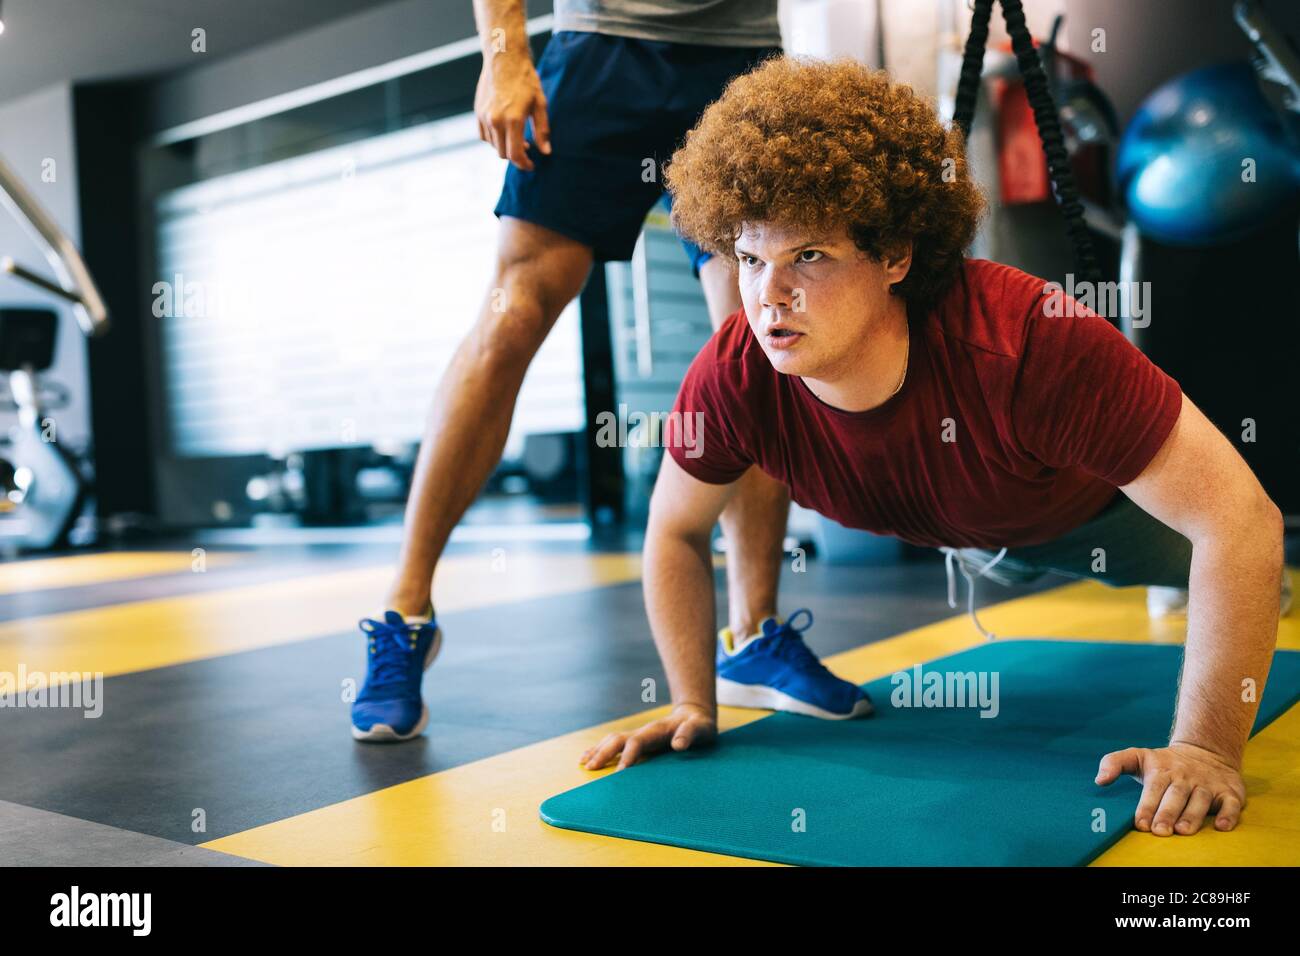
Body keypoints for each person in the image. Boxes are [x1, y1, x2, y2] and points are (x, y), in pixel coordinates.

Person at [580, 56, 1290, 840]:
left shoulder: (1028, 342)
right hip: (967, 525)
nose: (767, 295)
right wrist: (690, 700)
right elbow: (675, 531)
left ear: (895, 256)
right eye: (750, 258)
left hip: (1103, 525)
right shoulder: (734, 374)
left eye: (808, 255)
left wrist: (1205, 748)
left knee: (1245, 568)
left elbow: (1240, 520)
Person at [351, 0, 873, 742]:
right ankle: (406, 615)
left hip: (737, 56)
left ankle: (753, 634)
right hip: (603, 45)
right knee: (512, 317)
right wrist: (504, 53)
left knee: (759, 343)